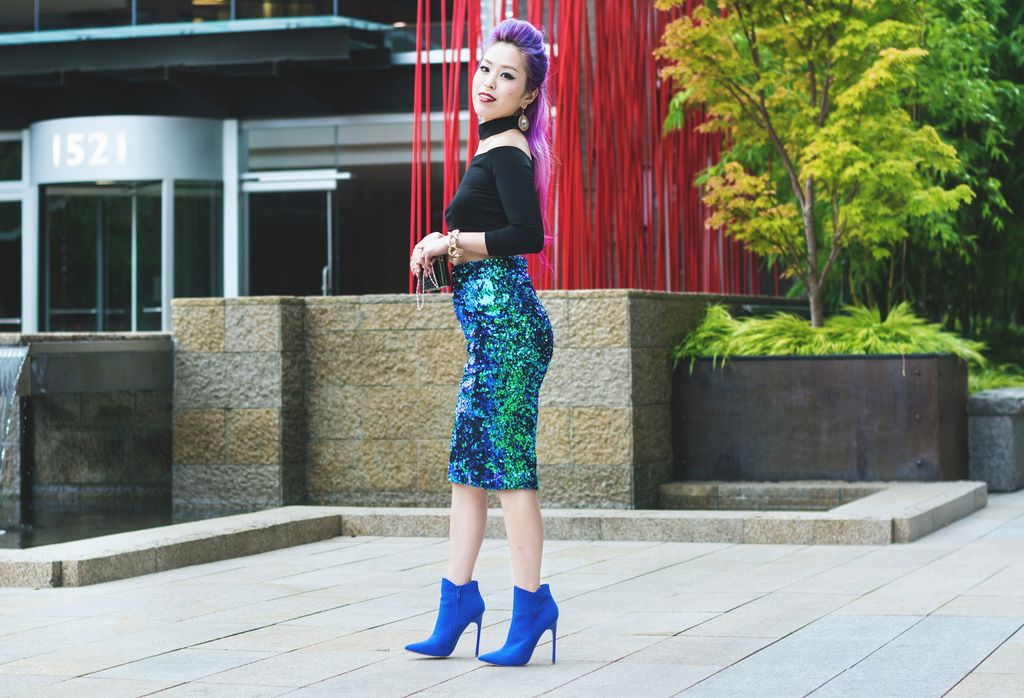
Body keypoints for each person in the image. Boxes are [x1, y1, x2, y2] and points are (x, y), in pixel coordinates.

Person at [405, 18, 557, 667]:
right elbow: (483, 248)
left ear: (528, 94)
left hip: (511, 335)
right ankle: (457, 605)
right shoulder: (492, 148)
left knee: (510, 474)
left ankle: (532, 609)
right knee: (467, 473)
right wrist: (438, 250)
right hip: (490, 335)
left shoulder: (510, 151)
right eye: (485, 68)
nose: (488, 82)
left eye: (507, 75)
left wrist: (450, 240)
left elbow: (528, 235)